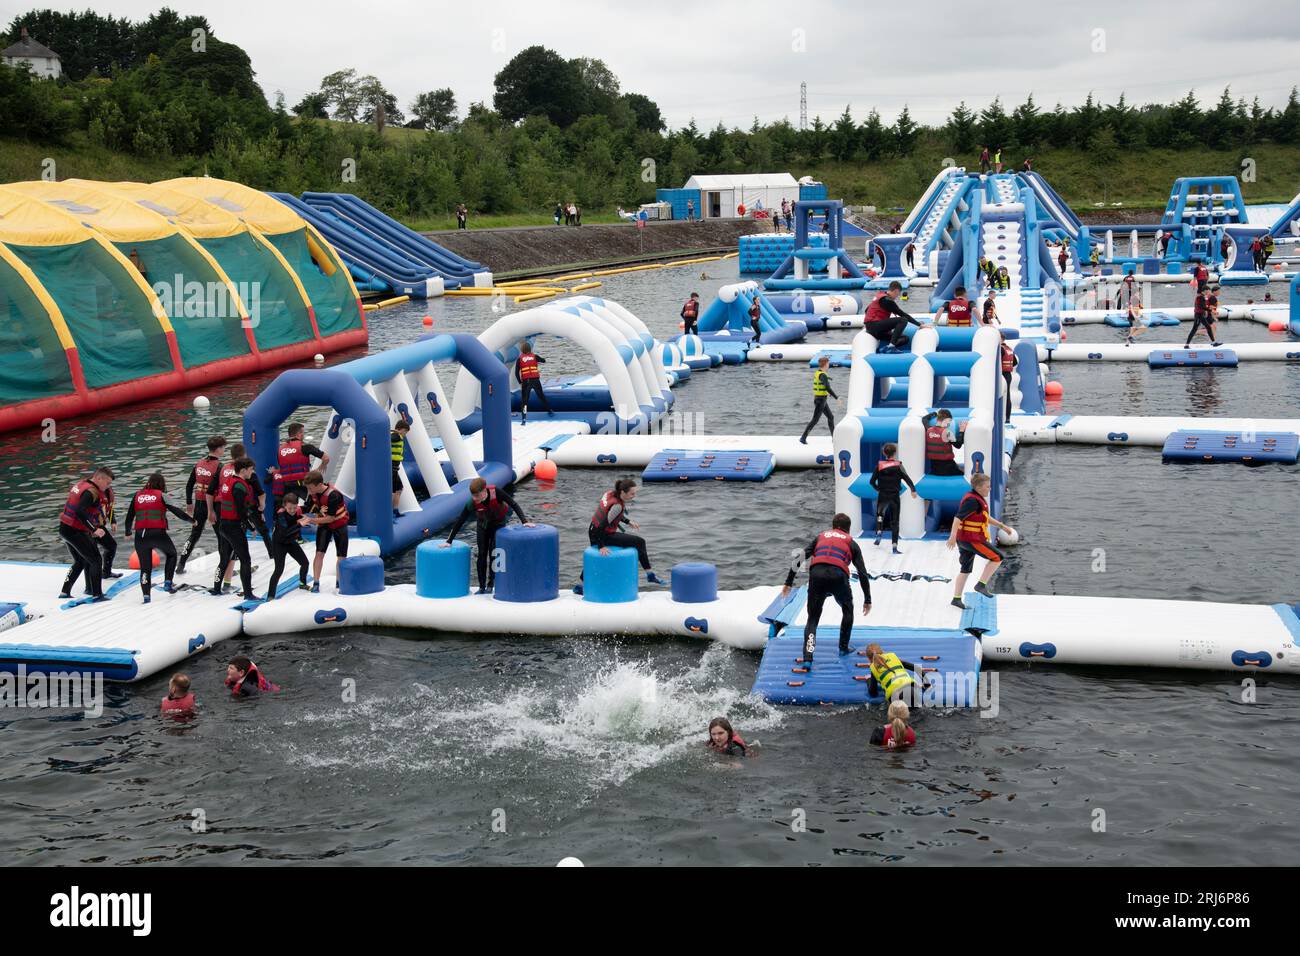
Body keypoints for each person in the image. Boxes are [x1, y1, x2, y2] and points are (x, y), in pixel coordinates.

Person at [781, 513, 871, 663]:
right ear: (848, 530)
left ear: (833, 527)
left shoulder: (821, 537)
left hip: (817, 576)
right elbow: (862, 573)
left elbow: (799, 558)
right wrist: (867, 599)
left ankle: (808, 658)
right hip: (838, 577)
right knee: (847, 609)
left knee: (812, 619)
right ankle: (843, 648)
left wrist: (788, 582)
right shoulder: (851, 543)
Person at [574, 478, 663, 594]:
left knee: (594, 558)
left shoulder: (609, 493)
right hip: (602, 534)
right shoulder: (618, 506)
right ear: (623, 492)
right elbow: (603, 525)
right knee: (640, 542)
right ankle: (650, 574)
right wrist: (601, 546)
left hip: (592, 529)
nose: (634, 496)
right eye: (632, 493)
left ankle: (579, 586)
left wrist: (627, 521)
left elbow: (609, 513)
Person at [443, 477, 531, 594]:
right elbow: (461, 520)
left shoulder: (497, 493)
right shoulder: (472, 502)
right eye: (473, 496)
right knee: (482, 554)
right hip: (483, 526)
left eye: (477, 496)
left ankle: (491, 584)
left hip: (498, 525)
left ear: (484, 491)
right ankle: (481, 587)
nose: (475, 498)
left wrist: (524, 521)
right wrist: (449, 541)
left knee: (494, 553)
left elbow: (513, 504)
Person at [206, 442, 269, 589]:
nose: (252, 472)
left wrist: (211, 511)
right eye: (251, 470)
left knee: (224, 559)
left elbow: (213, 493)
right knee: (245, 559)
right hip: (234, 526)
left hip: (223, 524)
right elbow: (241, 510)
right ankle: (248, 592)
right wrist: (251, 527)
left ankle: (217, 588)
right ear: (244, 470)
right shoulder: (240, 485)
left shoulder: (227, 480)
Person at [124, 472, 193, 603]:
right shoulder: (162, 495)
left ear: (149, 483)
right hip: (157, 534)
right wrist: (192, 521)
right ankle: (168, 583)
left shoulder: (137, 495)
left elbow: (129, 517)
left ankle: (146, 597)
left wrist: (128, 532)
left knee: (145, 568)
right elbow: (177, 511)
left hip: (140, 535)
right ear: (162, 484)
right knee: (171, 554)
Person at [947, 472, 1014, 609]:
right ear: (978, 487)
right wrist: (952, 536)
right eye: (987, 486)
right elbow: (957, 518)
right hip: (972, 539)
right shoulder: (972, 501)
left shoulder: (975, 498)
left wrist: (1002, 526)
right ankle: (981, 585)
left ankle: (956, 599)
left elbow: (984, 517)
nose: (990, 488)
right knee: (998, 557)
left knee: (965, 569)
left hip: (964, 539)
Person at [58, 466, 114, 602]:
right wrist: (94, 529)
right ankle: (97, 594)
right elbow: (80, 511)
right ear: (99, 478)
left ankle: (65, 592)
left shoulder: (82, 484)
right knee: (96, 560)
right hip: (75, 531)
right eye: (107, 483)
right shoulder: (91, 492)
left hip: (64, 528)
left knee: (80, 561)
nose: (108, 487)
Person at [177, 435, 225, 575]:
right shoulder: (220, 467)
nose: (224, 450)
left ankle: (180, 565)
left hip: (198, 504)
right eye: (223, 448)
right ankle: (223, 568)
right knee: (221, 536)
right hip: (213, 506)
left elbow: (189, 485)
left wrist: (189, 503)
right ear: (218, 449)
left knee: (194, 535)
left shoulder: (198, 464)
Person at [868, 442, 918, 553]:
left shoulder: (879, 466)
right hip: (894, 496)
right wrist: (913, 490)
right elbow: (907, 478)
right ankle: (894, 546)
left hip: (883, 495)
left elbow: (871, 482)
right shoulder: (898, 465)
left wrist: (878, 489)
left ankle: (879, 532)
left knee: (880, 515)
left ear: (884, 453)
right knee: (895, 521)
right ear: (894, 453)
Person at [305, 470, 348, 592]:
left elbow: (330, 518)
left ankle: (339, 582)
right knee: (319, 553)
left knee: (341, 555)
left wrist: (311, 520)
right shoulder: (313, 493)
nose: (309, 491)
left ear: (319, 485)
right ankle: (316, 582)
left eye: (310, 488)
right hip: (324, 526)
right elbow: (309, 507)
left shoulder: (334, 495)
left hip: (339, 524)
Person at [264, 492, 312, 599]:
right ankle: (270, 595)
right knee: (279, 570)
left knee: (305, 563)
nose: (292, 510)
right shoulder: (281, 515)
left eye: (294, 507)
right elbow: (285, 532)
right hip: (279, 544)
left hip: (290, 542)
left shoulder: (298, 511)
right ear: (284, 506)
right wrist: (299, 524)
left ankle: (302, 583)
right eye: (290, 508)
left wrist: (320, 510)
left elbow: (309, 507)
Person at [268, 422, 329, 508]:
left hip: (286, 485)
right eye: (303, 432)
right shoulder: (305, 447)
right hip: (302, 484)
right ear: (299, 434)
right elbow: (326, 458)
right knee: (310, 506)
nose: (303, 435)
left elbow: (281, 467)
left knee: (287, 509)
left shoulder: (280, 449)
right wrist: (321, 467)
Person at [864, 281, 925, 351]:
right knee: (903, 320)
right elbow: (903, 314)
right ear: (896, 291)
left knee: (905, 338)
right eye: (898, 294)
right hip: (874, 327)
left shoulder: (880, 295)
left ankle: (884, 349)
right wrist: (919, 325)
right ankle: (891, 347)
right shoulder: (887, 300)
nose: (897, 297)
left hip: (874, 329)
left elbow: (866, 310)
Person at [863, 643, 927, 707]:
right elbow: (917, 668)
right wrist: (926, 684)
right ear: (883, 652)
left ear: (868, 659)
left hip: (896, 697)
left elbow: (873, 693)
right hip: (912, 690)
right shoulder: (893, 657)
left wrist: (868, 679)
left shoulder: (874, 668)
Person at [799, 355, 838, 444]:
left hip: (821, 400)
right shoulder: (823, 375)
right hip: (820, 401)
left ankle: (834, 438)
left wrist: (828, 379)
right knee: (815, 420)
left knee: (831, 417)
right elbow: (827, 387)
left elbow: (823, 383)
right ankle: (803, 438)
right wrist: (836, 397)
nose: (829, 365)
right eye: (828, 363)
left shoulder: (819, 372)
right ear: (825, 364)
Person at [515, 341, 553, 424]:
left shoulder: (519, 359)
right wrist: (540, 360)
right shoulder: (535, 356)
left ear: (522, 350)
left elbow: (516, 373)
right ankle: (549, 410)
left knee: (524, 401)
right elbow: (543, 361)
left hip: (526, 381)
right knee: (541, 396)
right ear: (530, 349)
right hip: (535, 380)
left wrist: (520, 382)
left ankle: (524, 419)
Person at [924, 409, 966, 477]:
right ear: (946, 420)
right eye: (949, 421)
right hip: (948, 469)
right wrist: (961, 430)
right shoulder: (947, 432)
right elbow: (958, 445)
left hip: (934, 468)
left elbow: (924, 419)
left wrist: (934, 413)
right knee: (964, 472)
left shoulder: (928, 429)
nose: (949, 424)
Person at [390, 419, 411, 514]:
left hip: (394, 468)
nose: (405, 434)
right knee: (392, 490)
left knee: (399, 489)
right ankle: (390, 512)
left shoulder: (394, 434)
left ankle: (395, 510)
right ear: (401, 429)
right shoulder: (396, 436)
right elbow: (389, 438)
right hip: (392, 467)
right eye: (405, 431)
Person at [999, 335, 1017, 423]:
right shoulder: (1009, 349)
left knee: (999, 395)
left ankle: (1000, 417)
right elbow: (1015, 362)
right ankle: (1007, 418)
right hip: (1008, 375)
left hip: (1001, 375)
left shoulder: (1000, 349)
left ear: (1001, 339)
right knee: (1007, 396)